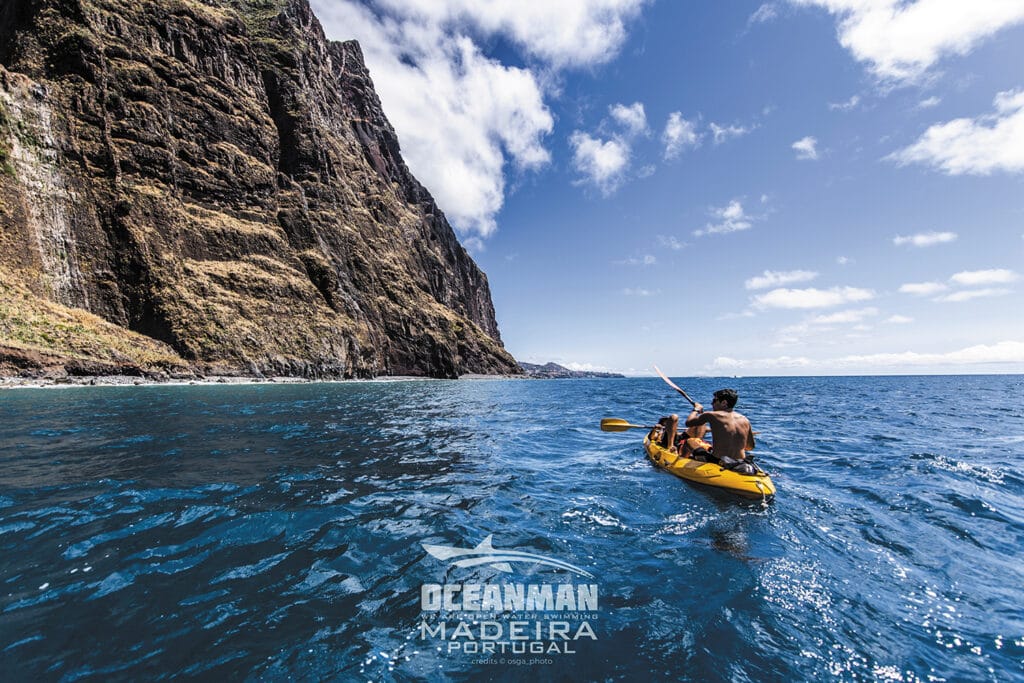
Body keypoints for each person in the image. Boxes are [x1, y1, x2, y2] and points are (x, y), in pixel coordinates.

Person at [684, 388, 756, 472]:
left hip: (718, 461)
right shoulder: (745, 420)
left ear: (724, 403)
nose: (712, 403)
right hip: (741, 462)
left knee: (690, 441)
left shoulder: (711, 415)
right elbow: (750, 447)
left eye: (714, 400)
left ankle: (682, 461)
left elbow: (688, 423)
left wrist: (696, 409)